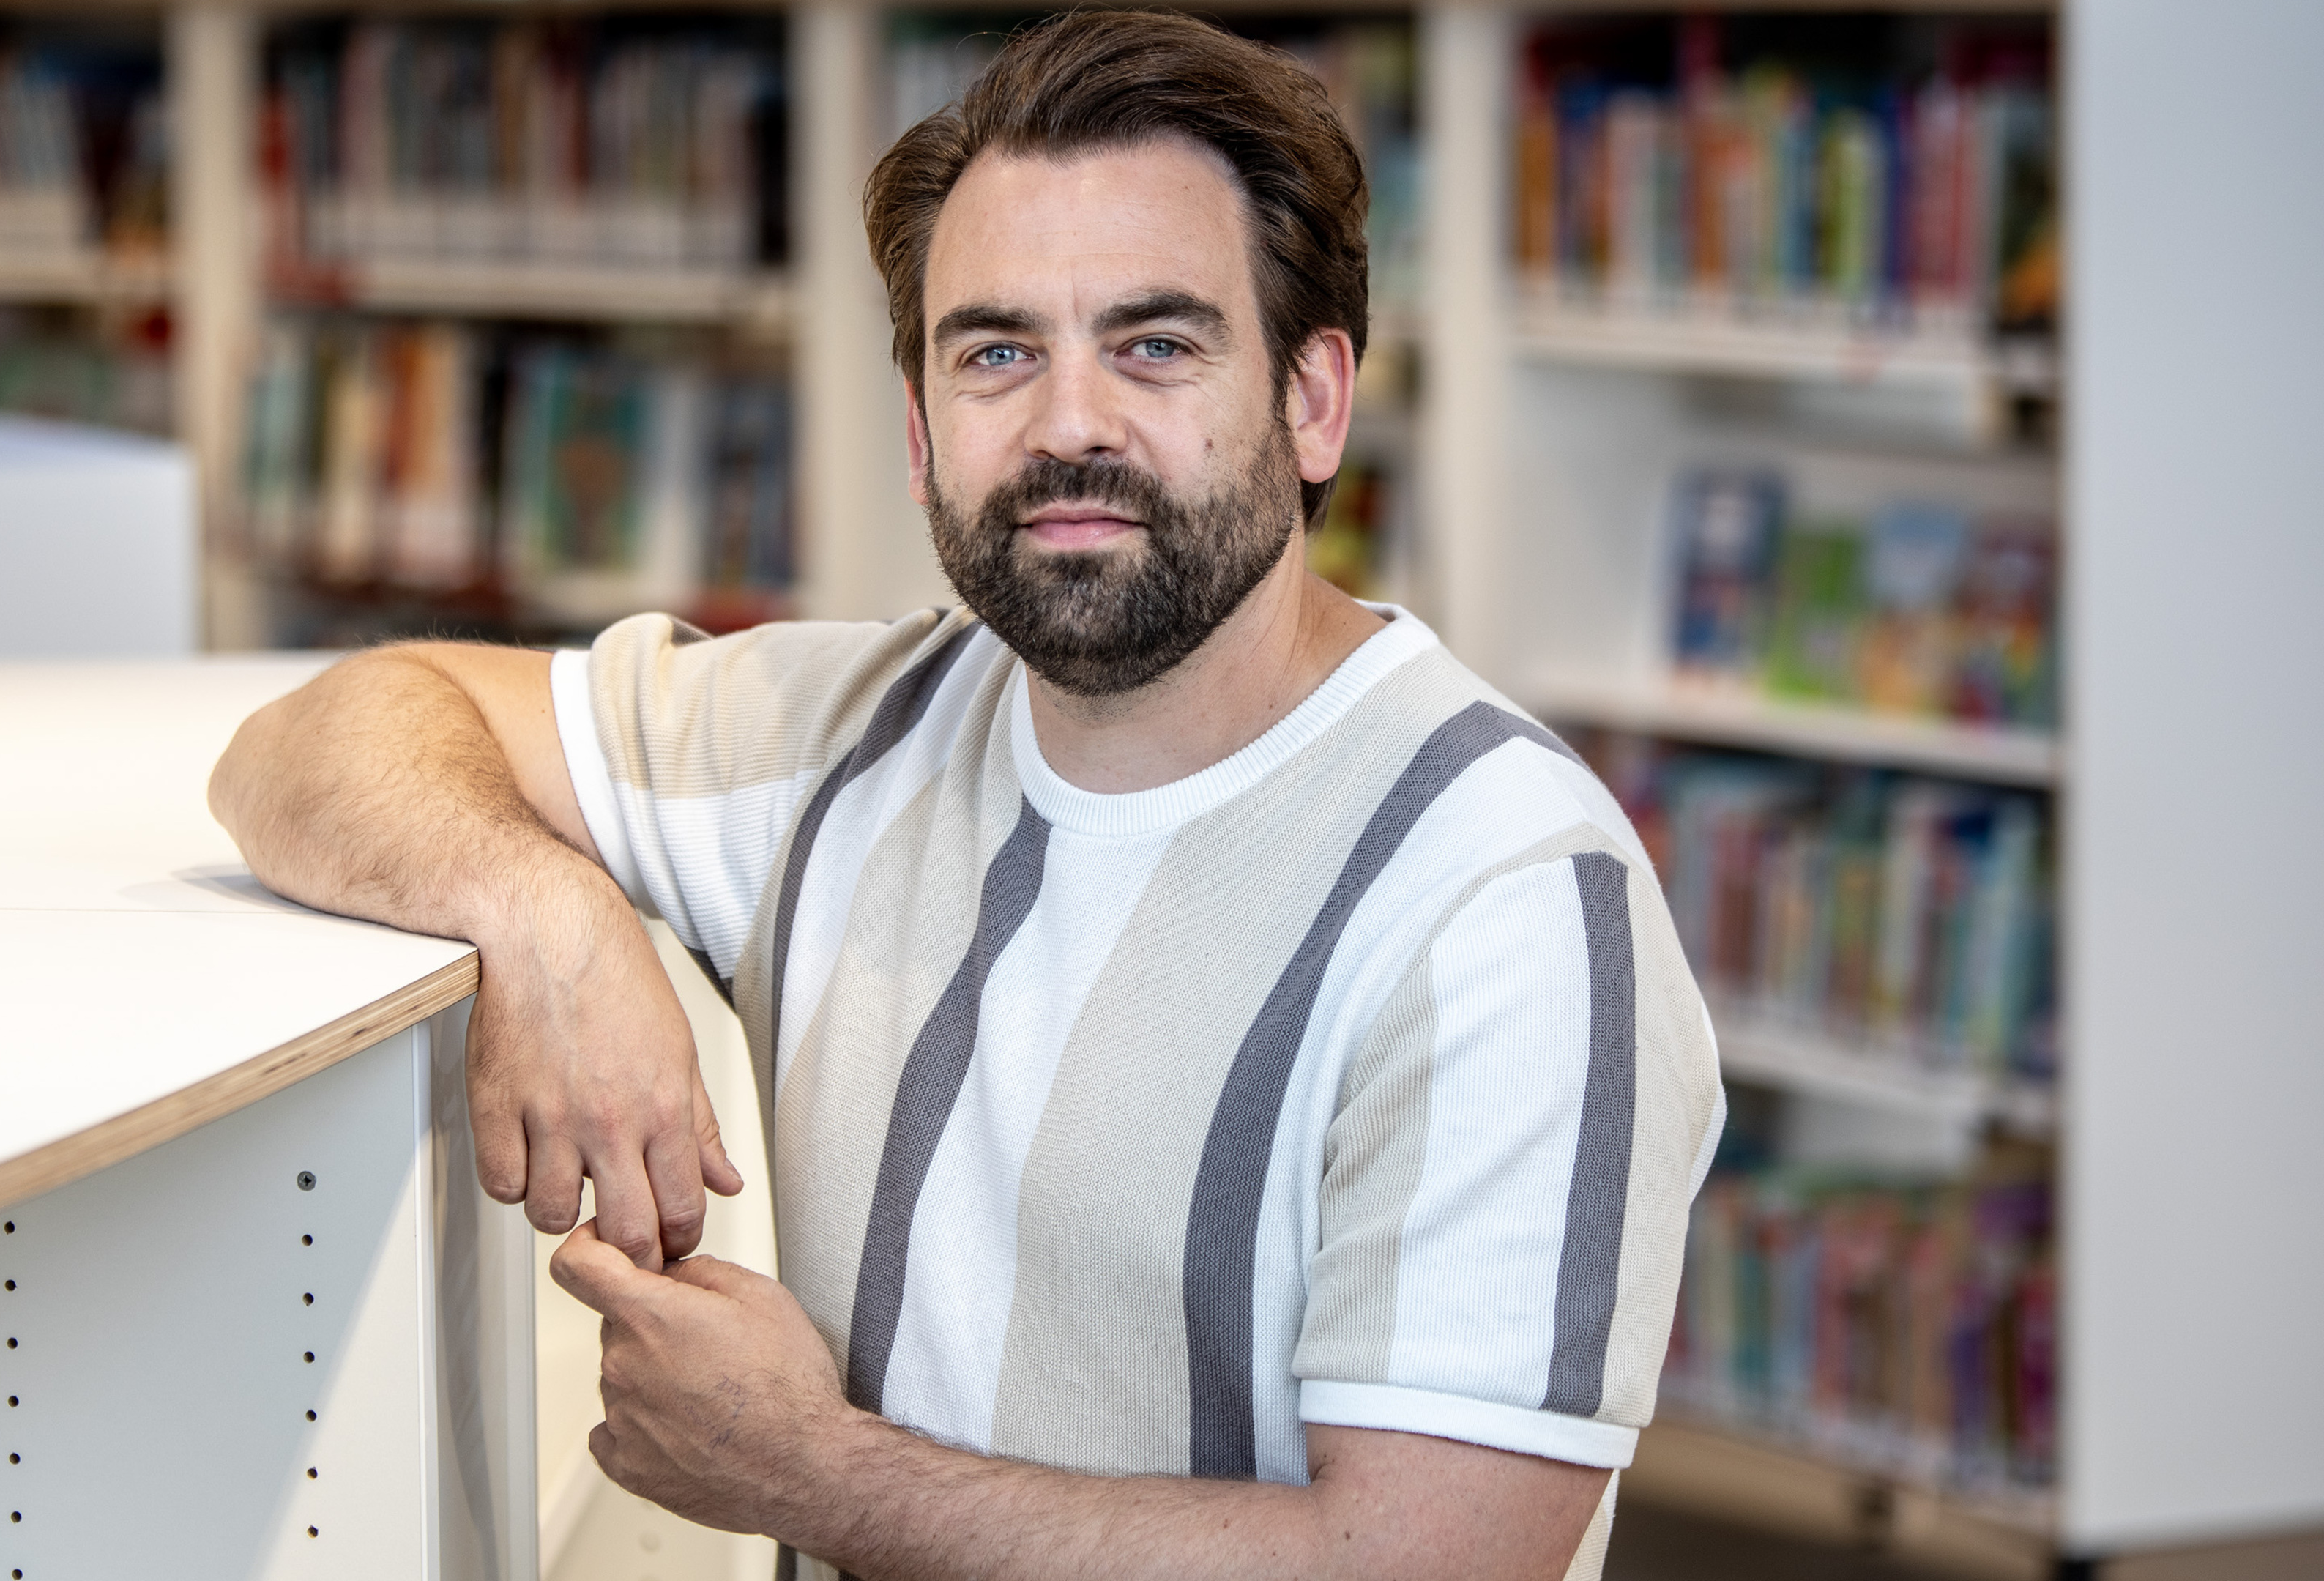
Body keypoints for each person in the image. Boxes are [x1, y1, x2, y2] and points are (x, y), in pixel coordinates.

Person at [209, 12, 1724, 1579]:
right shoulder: (847, 729)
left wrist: (811, 1472)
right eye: (999, 351)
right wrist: (544, 919)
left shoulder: (1504, 895)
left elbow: (1427, 1566)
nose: (1069, 423)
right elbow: (313, 740)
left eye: (1156, 344)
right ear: (925, 438)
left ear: (1314, 401)